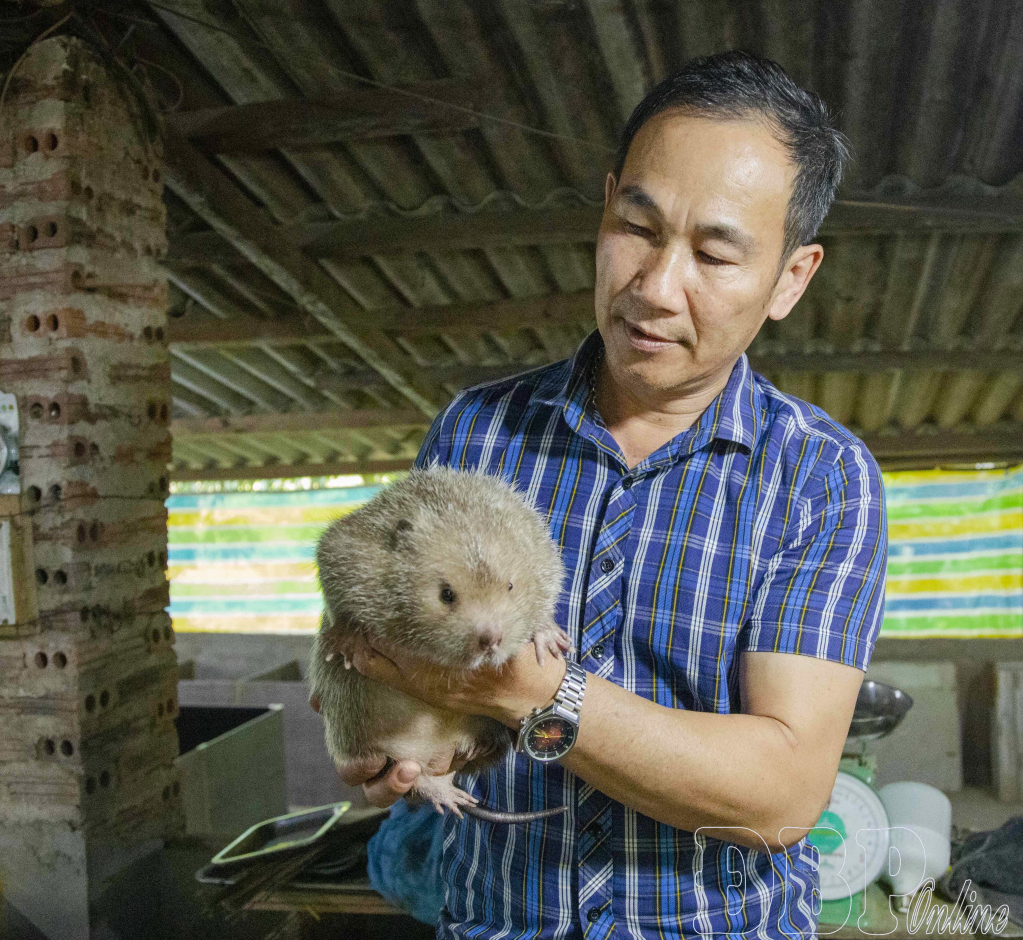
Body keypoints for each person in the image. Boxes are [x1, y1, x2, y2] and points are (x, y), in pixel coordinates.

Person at [325, 50, 888, 939]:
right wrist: (386, 734)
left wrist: (533, 691)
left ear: (791, 277)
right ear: (604, 208)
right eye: (637, 227)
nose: (655, 288)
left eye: (713, 253)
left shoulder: (821, 478)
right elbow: (388, 639)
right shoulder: (476, 432)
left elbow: (781, 797)